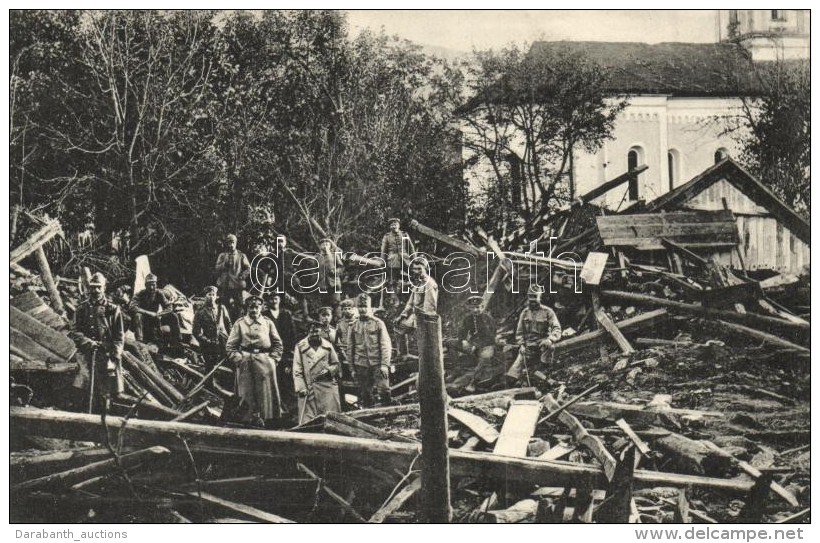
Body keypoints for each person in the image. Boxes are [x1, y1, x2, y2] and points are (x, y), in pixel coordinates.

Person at [225, 295, 284, 427]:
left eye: (256, 307)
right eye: (251, 307)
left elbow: (278, 344)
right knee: (246, 393)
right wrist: (238, 359)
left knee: (266, 395)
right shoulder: (240, 323)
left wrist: (273, 359)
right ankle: (247, 422)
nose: (254, 310)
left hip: (265, 361)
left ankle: (268, 422)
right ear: (247, 308)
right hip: (245, 361)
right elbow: (230, 346)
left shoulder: (268, 323)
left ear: (261, 308)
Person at [70, 272, 125, 412]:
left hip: (106, 354)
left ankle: (105, 415)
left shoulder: (113, 309)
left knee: (107, 389)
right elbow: (75, 331)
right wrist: (88, 342)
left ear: (104, 288)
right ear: (88, 288)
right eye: (93, 287)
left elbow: (119, 336)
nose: (95, 290)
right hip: (86, 353)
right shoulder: (82, 308)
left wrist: (115, 354)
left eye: (99, 287)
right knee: (83, 383)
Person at [506, 284, 562, 383]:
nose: (532, 299)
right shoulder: (524, 313)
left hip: (542, 344)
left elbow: (557, 329)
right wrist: (521, 345)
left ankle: (544, 370)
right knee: (512, 376)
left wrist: (550, 339)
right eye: (530, 296)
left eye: (535, 296)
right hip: (528, 345)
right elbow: (519, 332)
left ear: (540, 297)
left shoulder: (548, 312)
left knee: (549, 348)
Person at [348, 293, 392, 407]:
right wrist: (352, 368)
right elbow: (350, 348)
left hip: (378, 364)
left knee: (384, 390)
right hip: (361, 365)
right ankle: (371, 419)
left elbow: (385, 345)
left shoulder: (378, 323)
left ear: (370, 307)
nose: (362, 310)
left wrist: (384, 364)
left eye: (365, 306)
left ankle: (389, 417)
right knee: (366, 394)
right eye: (360, 307)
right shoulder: (353, 326)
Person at [293, 320, 341, 423]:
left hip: (326, 385)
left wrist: (329, 371)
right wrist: (301, 388)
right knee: (309, 421)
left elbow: (336, 364)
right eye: (312, 332)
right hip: (309, 387)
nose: (315, 334)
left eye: (317, 332)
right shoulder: (300, 346)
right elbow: (297, 369)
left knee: (330, 418)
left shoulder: (328, 345)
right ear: (308, 332)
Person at [394, 258, 438, 356]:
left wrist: (419, 320)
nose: (416, 271)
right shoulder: (418, 283)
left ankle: (424, 357)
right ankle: (404, 354)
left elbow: (429, 307)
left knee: (423, 340)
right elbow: (410, 303)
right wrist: (402, 315)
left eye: (419, 269)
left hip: (425, 317)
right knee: (398, 327)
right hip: (415, 315)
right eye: (414, 269)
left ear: (425, 268)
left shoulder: (429, 283)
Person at [262, 293, 297, 407]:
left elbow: (292, 335)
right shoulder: (264, 315)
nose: (274, 301)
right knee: (273, 380)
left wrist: (290, 356)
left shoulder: (286, 314)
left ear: (280, 300)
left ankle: (289, 408)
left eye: (276, 298)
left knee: (286, 381)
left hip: (286, 353)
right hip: (270, 353)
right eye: (271, 299)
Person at [129, 273, 182, 347]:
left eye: (153, 284)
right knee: (138, 315)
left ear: (156, 285)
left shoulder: (159, 293)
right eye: (149, 285)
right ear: (145, 285)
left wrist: (160, 314)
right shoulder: (140, 294)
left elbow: (169, 307)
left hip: (155, 318)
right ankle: (140, 340)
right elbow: (132, 307)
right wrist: (149, 313)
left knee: (173, 315)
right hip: (144, 320)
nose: (151, 287)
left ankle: (177, 341)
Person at [459, 295, 498, 393]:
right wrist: (463, 340)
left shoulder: (487, 319)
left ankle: (473, 382)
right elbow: (461, 333)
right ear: (469, 308)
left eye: (478, 307)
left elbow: (491, 337)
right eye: (473, 308)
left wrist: (476, 346)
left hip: (486, 346)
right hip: (472, 345)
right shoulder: (468, 319)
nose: (476, 310)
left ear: (483, 307)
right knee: (450, 343)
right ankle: (456, 369)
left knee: (485, 357)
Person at [192, 286, 232, 370]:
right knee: (210, 367)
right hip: (208, 344)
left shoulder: (221, 308)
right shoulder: (200, 312)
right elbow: (196, 332)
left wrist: (231, 338)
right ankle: (209, 383)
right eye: (209, 294)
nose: (211, 297)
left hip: (223, 341)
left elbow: (228, 324)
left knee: (229, 364)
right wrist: (207, 341)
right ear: (205, 296)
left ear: (216, 296)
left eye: (213, 294)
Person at [216, 234, 251, 319]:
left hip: (237, 285)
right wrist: (224, 264)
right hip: (224, 285)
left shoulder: (241, 255)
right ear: (226, 244)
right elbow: (217, 268)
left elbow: (248, 268)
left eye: (233, 242)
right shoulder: (222, 256)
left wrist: (242, 276)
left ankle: (237, 322)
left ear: (236, 243)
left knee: (239, 307)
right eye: (229, 243)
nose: (231, 245)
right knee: (223, 305)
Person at [380, 218, 415, 294]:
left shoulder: (404, 234)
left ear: (399, 225)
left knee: (414, 274)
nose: (394, 226)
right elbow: (383, 250)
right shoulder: (387, 236)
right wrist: (382, 261)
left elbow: (411, 247)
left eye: (395, 224)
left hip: (405, 259)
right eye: (392, 225)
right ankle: (394, 299)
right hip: (393, 260)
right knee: (393, 281)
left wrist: (414, 259)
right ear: (390, 227)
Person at [317, 238, 343, 320]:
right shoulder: (318, 258)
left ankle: (338, 322)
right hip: (323, 285)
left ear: (330, 246)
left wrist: (335, 272)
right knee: (325, 306)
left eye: (327, 244)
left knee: (336, 304)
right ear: (320, 247)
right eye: (323, 244)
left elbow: (341, 268)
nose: (325, 246)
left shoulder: (335, 255)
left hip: (334, 283)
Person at [336, 298, 358, 378]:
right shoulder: (340, 323)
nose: (347, 310)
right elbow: (337, 338)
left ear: (353, 309)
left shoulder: (358, 322)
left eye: (349, 308)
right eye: (345, 309)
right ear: (342, 310)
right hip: (344, 349)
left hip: (356, 350)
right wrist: (342, 350)